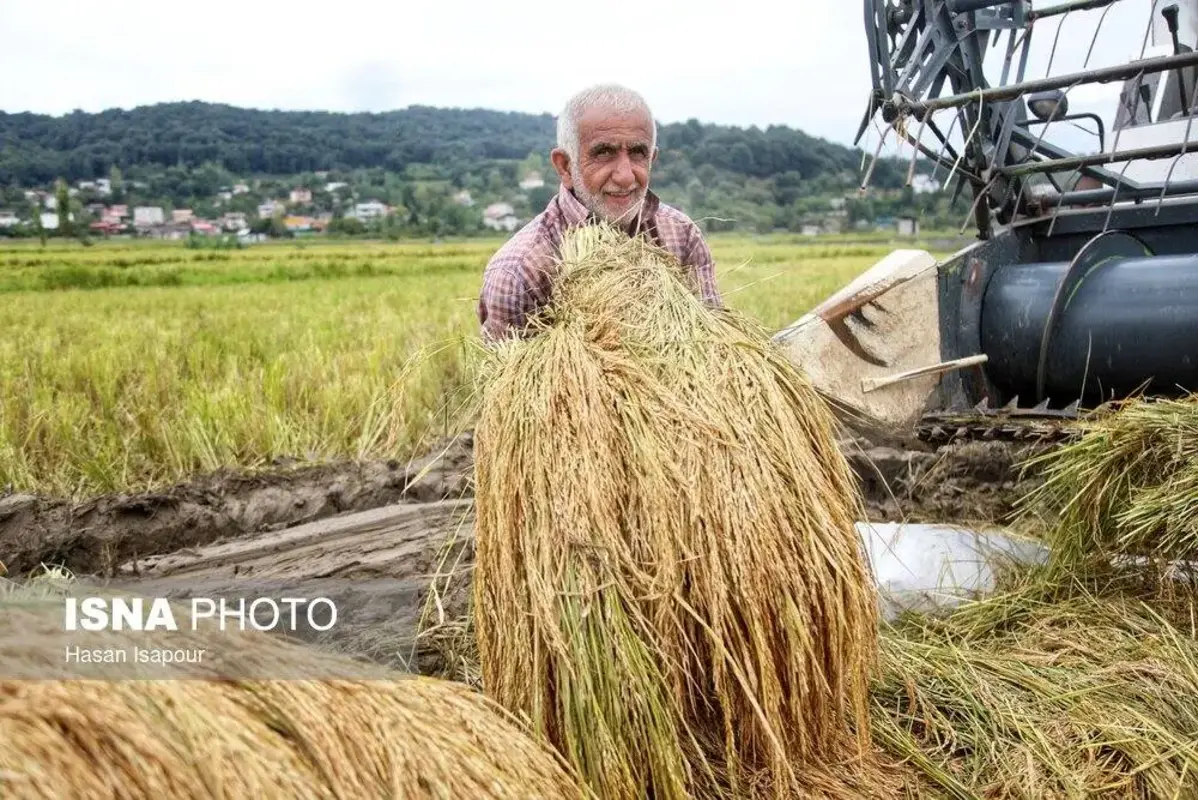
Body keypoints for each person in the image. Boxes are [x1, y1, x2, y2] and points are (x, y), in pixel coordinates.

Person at [476, 84, 723, 341]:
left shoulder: (681, 237)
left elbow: (713, 349)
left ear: (652, 159)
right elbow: (514, 379)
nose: (626, 176)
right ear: (565, 166)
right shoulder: (519, 272)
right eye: (604, 153)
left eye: (638, 153)